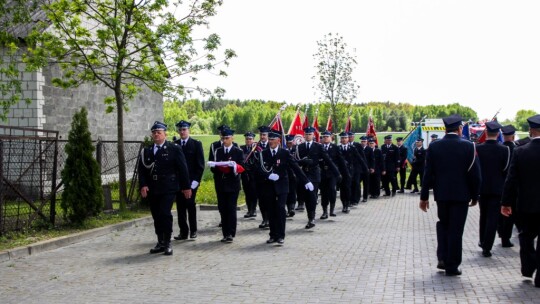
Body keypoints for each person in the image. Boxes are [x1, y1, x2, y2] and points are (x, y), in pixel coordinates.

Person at [420, 114, 481, 276]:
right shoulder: (469, 146)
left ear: (445, 129)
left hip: (442, 195)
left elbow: (428, 174)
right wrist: (475, 196)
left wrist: (424, 196)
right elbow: (475, 175)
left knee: (443, 225)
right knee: (456, 230)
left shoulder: (434, 146)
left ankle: (442, 257)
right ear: (460, 128)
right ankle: (452, 265)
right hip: (461, 196)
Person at [138, 121, 192, 256]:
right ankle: (160, 241)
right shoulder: (147, 151)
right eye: (154, 132)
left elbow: (183, 169)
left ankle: (167, 242)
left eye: (159, 132)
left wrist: (186, 187)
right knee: (156, 215)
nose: (156, 134)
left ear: (165, 134)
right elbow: (142, 170)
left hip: (168, 187)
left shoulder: (174, 149)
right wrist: (143, 185)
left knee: (165, 213)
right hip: (153, 188)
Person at [501, 114, 540, 287]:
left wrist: (506, 203)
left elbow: (511, 179)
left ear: (531, 130)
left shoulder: (520, 151)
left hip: (526, 204)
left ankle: (528, 265)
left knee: (525, 236)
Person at [255, 130, 310, 245]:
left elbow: (295, 167)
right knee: (271, 211)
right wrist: (268, 175)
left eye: (273, 140)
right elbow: (259, 169)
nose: (271, 142)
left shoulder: (284, 153)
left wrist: (306, 181)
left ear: (278, 140)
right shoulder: (263, 154)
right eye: (269, 139)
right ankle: (273, 235)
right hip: (268, 186)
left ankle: (280, 235)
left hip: (282, 186)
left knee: (280, 209)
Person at [475, 121, 510, 257]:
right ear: (498, 133)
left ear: (486, 132)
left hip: (482, 188)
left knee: (483, 215)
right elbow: (505, 170)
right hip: (497, 189)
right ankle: (487, 246)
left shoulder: (478, 148)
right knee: (492, 218)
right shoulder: (504, 150)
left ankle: (483, 241)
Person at [296, 126, 338, 228]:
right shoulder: (299, 147)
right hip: (304, 175)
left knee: (312, 196)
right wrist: (303, 161)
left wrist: (337, 173)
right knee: (306, 198)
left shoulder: (318, 146)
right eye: (306, 134)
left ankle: (312, 218)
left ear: (313, 135)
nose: (307, 136)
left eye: (310, 134)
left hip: (314, 175)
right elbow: (296, 161)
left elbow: (327, 159)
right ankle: (309, 216)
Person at [208, 128, 245, 243]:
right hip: (221, 183)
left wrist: (233, 167)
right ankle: (225, 233)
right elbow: (213, 167)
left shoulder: (237, 151)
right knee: (223, 209)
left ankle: (230, 233)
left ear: (232, 138)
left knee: (231, 208)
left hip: (233, 184)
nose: (224, 140)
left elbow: (242, 167)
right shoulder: (218, 151)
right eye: (223, 138)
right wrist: (218, 167)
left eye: (227, 138)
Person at [173, 120, 205, 241]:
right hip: (179, 182)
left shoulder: (196, 144)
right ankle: (183, 232)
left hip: (192, 182)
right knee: (180, 207)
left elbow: (200, 165)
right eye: (180, 130)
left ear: (188, 130)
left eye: (184, 129)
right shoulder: (175, 144)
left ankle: (193, 230)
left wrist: (194, 183)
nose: (182, 132)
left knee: (190, 205)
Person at [497, 125, 517, 247]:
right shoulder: (516, 149)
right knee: (510, 213)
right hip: (512, 186)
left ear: (503, 136)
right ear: (513, 136)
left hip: (499, 185)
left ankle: (500, 231)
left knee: (501, 212)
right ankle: (506, 238)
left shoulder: (501, 148)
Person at [319, 131, 345, 219]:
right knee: (324, 192)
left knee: (332, 190)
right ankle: (324, 211)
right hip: (322, 173)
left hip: (332, 173)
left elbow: (340, 159)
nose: (325, 138)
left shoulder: (335, 147)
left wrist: (342, 171)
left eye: (327, 136)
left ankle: (332, 210)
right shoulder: (319, 147)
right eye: (324, 136)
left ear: (331, 138)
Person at [255, 126, 271, 228]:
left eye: (264, 134)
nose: (262, 136)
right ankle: (264, 219)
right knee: (261, 200)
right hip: (259, 178)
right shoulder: (255, 147)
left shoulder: (271, 145)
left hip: (270, 178)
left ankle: (269, 219)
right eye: (261, 134)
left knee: (269, 200)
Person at [240, 132, 259, 219]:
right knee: (247, 192)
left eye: (250, 139)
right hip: (245, 174)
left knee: (254, 192)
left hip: (253, 174)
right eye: (247, 139)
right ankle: (249, 210)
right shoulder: (241, 149)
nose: (248, 141)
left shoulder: (256, 149)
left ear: (253, 140)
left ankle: (253, 209)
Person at [348, 132, 369, 206]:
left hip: (357, 168)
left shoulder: (357, 145)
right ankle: (350, 200)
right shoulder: (345, 145)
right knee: (349, 184)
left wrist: (365, 168)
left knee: (356, 183)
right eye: (348, 137)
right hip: (348, 168)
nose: (350, 138)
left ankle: (355, 199)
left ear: (353, 137)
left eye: (351, 136)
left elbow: (362, 157)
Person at [285, 134, 298, 217]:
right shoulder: (283, 149)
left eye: (291, 142)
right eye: (288, 143)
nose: (290, 144)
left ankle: (291, 208)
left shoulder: (296, 149)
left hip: (293, 173)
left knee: (292, 191)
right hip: (285, 173)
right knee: (286, 192)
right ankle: (287, 208)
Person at [360, 136, 375, 202]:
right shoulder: (359, 148)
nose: (363, 143)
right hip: (359, 169)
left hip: (367, 169)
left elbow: (372, 159)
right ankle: (357, 197)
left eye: (364, 141)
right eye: (362, 141)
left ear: (367, 142)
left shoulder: (369, 149)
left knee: (366, 184)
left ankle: (365, 197)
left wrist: (372, 167)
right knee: (357, 183)